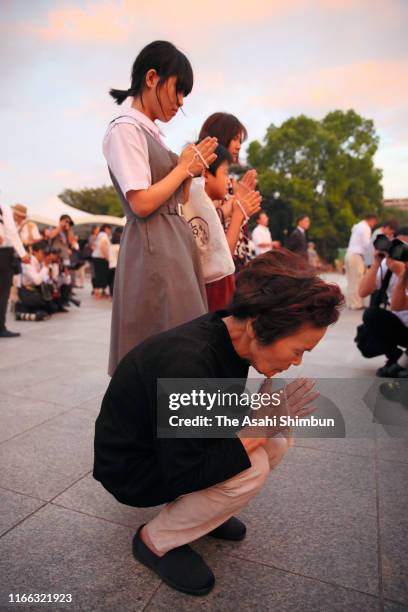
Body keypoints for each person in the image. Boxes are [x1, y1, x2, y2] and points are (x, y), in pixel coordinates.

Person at [94, 249, 344, 596]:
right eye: (298, 350)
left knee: (276, 441)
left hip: (167, 445)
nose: (297, 362)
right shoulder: (190, 363)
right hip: (133, 470)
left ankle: (203, 511)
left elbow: (210, 415)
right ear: (258, 327)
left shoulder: (230, 334)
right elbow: (184, 470)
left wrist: (262, 420)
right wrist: (256, 428)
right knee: (254, 464)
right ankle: (155, 541)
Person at [103, 40, 218, 375]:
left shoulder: (150, 132)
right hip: (155, 246)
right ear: (152, 78)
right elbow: (140, 203)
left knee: (179, 346)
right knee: (162, 348)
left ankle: (170, 423)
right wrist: (183, 169)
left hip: (172, 242)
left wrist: (188, 169)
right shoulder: (125, 129)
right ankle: (152, 424)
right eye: (178, 90)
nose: (180, 103)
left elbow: (176, 201)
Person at [202, 144, 261, 310]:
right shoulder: (199, 209)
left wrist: (238, 206)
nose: (228, 180)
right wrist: (238, 215)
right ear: (206, 174)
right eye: (226, 173)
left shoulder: (210, 207)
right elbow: (221, 258)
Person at [198, 112, 258, 272]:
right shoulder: (203, 186)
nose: (239, 146)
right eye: (235, 139)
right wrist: (236, 206)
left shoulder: (230, 184)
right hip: (221, 273)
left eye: (240, 141)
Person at [357, 227, 408, 377]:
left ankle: (400, 363)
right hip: (400, 324)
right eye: (398, 246)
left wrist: (401, 274)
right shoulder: (389, 264)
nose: (401, 253)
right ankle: (397, 358)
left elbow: (398, 305)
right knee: (371, 315)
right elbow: (363, 292)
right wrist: (376, 262)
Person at [0, 202, 30, 337]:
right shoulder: (3, 207)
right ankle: (0, 327)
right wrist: (22, 253)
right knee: (2, 292)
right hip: (3, 254)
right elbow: (10, 231)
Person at [344, 213, 378, 309]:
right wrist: (371, 262)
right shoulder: (365, 228)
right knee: (357, 280)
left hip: (350, 254)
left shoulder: (357, 226)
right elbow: (367, 245)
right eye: (374, 223)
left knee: (351, 280)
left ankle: (351, 303)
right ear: (372, 220)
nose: (373, 225)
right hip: (356, 256)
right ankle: (356, 304)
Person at [92, 224, 112, 299]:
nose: (110, 231)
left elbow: (95, 245)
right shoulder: (104, 235)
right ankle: (99, 293)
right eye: (109, 229)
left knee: (98, 275)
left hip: (96, 257)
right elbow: (102, 246)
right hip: (101, 257)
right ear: (106, 229)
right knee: (102, 275)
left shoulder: (99, 235)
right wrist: (107, 257)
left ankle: (98, 292)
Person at [108, 227, 122, 298]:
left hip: (110, 265)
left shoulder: (110, 246)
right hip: (116, 266)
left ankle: (111, 295)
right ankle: (115, 296)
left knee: (111, 282)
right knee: (116, 282)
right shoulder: (118, 247)